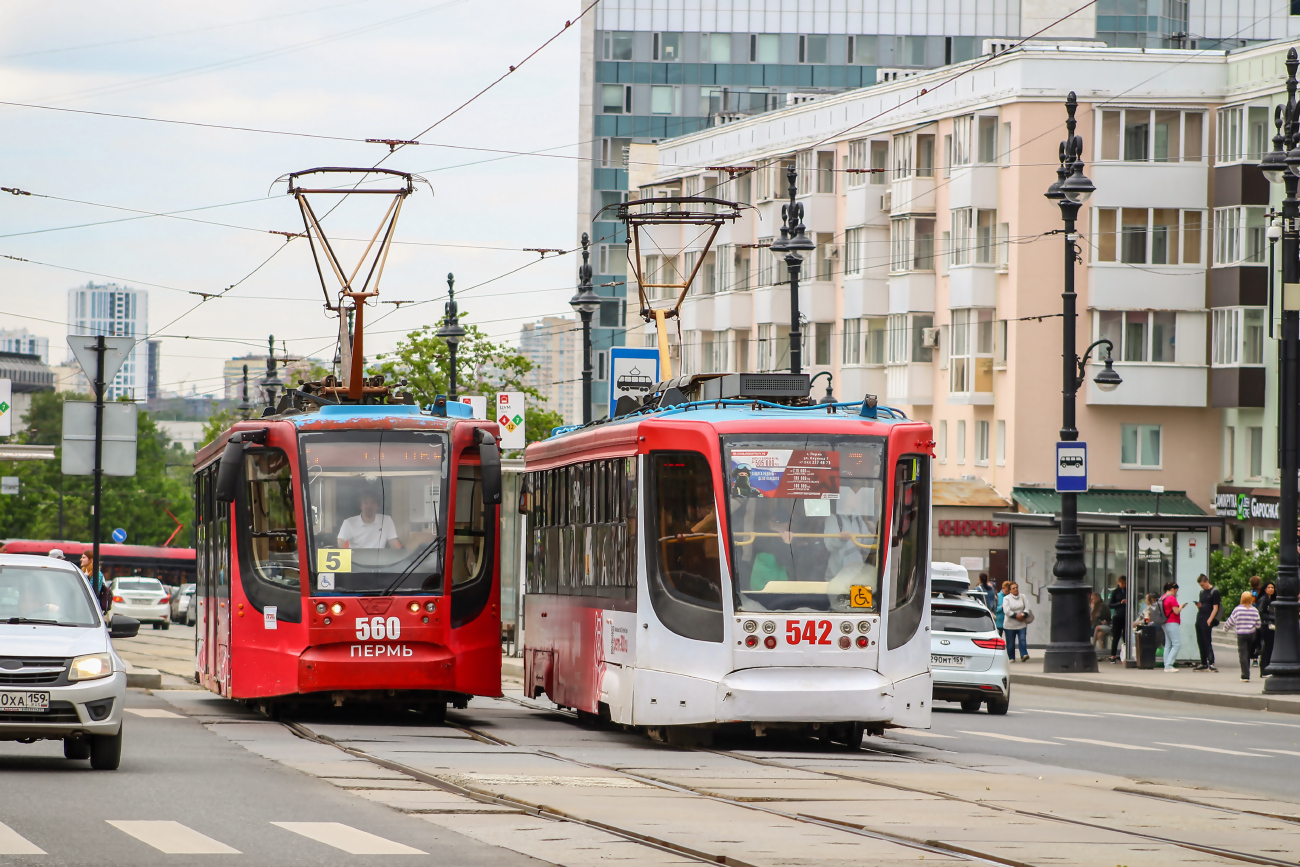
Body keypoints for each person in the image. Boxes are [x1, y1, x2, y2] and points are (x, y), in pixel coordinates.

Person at [337, 489, 402, 550]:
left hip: (379, 561)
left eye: (373, 503)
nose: (369, 506)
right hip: (355, 561)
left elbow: (394, 544)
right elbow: (339, 544)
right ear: (360, 506)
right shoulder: (348, 523)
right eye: (366, 503)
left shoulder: (387, 520)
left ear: (377, 506)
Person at [1223, 591, 1262, 681]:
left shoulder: (1238, 609)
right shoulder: (1254, 610)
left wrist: (1225, 629)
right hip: (1251, 634)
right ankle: (1247, 671)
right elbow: (1258, 624)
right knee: (1248, 653)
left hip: (1241, 634)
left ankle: (1245, 675)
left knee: (1243, 654)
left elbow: (1231, 621)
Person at [1192, 574, 1220, 672]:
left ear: (1207, 581)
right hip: (1200, 617)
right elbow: (1203, 603)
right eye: (1201, 585)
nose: (1202, 587)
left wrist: (1210, 619)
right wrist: (1199, 606)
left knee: (1207, 641)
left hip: (1207, 618)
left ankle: (1211, 662)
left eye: (1203, 585)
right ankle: (1203, 662)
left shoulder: (1214, 592)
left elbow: (1215, 607)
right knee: (1200, 641)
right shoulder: (1202, 592)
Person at [1160, 583, 1188, 671]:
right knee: (1176, 644)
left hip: (1164, 623)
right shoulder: (1171, 598)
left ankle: (1166, 664)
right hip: (1172, 622)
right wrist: (1182, 607)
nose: (1176, 592)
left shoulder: (1163, 597)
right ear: (1172, 589)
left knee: (1168, 644)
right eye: (1176, 590)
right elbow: (1176, 611)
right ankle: (1169, 665)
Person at [1002, 582, 1031, 662]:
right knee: (1010, 643)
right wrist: (1016, 616)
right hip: (1010, 625)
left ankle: (1024, 654)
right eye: (1013, 588)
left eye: (1016, 587)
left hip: (1021, 623)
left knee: (1022, 639)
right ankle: (1011, 657)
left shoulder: (1022, 596)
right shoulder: (1007, 598)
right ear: (1010, 590)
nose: (1016, 589)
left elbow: (1027, 607)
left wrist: (1023, 614)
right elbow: (1006, 610)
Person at [1257, 580, 1276, 675]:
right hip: (1266, 625)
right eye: (1269, 587)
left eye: (1272, 587)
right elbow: (1261, 612)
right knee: (1267, 647)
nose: (1271, 589)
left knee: (1270, 647)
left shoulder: (1272, 600)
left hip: (1271, 625)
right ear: (1265, 589)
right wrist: (1272, 618)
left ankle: (1267, 667)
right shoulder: (1264, 599)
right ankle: (1264, 669)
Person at [1107, 576, 1127, 662]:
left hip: (1126, 615)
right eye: (1122, 583)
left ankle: (1126, 654)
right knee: (1116, 636)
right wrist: (1120, 603)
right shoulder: (1115, 592)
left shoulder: (1128, 590)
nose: (1124, 585)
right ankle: (1113, 655)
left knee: (1126, 636)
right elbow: (1110, 604)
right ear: (1118, 583)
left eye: (1125, 583)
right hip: (1118, 616)